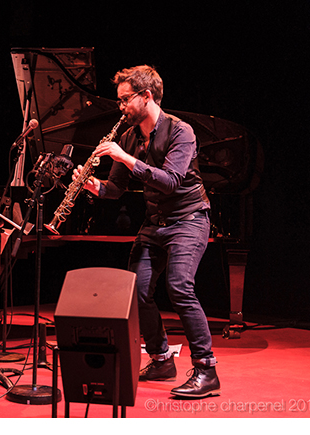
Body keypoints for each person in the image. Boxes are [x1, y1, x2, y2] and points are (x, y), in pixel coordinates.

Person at [73, 65, 219, 398]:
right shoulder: (129, 137)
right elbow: (116, 189)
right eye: (120, 100)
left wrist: (125, 158)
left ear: (147, 96)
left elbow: (170, 182)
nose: (121, 106)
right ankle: (162, 360)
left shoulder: (181, 132)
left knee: (179, 287)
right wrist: (95, 187)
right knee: (137, 291)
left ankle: (206, 370)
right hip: (156, 223)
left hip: (189, 219)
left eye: (126, 99)